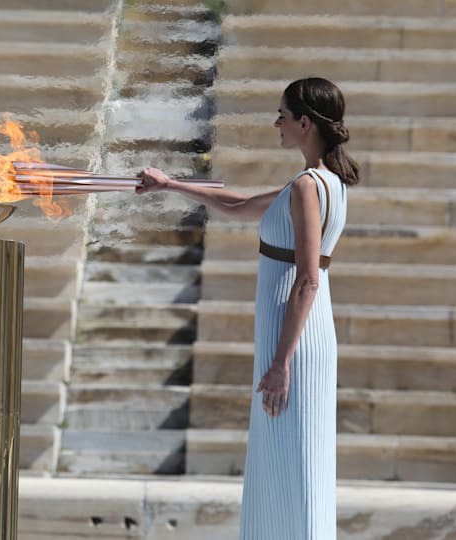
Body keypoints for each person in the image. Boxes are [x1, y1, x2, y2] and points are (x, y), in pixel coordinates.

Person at [139, 77, 358, 539]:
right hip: (301, 337)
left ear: (304, 123)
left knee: (295, 462)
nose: (277, 122)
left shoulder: (308, 186)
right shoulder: (323, 183)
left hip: (293, 343)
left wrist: (281, 362)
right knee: (292, 460)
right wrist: (170, 184)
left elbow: (307, 279)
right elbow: (239, 205)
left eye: (282, 115)